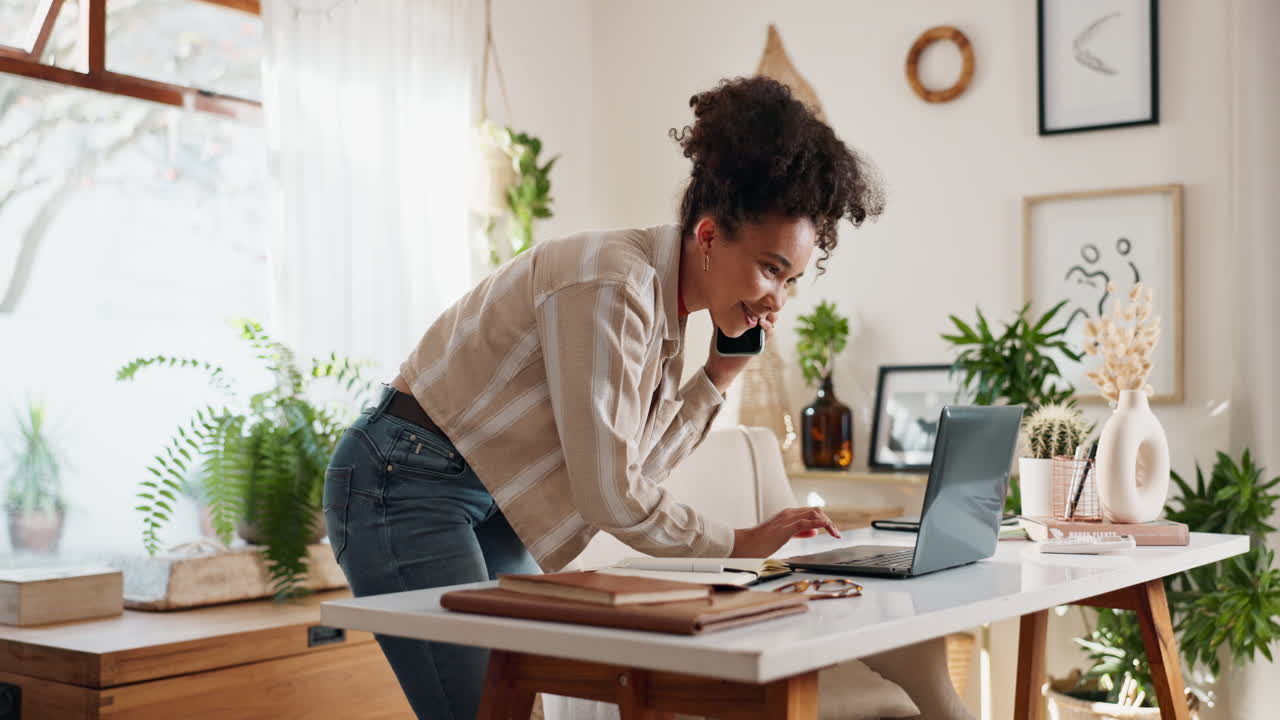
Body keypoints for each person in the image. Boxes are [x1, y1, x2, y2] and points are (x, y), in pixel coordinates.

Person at [324, 75, 887, 719]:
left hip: (485, 494)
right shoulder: (615, 286)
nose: (775, 301)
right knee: (485, 710)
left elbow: (630, 469)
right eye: (768, 269)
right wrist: (737, 541)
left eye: (788, 279)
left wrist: (718, 378)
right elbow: (614, 495)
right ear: (707, 237)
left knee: (510, 706)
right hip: (404, 479)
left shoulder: (662, 311)